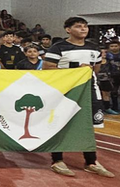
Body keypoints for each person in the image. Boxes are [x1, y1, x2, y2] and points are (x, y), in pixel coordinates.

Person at [43, 17, 113, 177]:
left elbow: (95, 69)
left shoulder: (93, 48)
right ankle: (57, 160)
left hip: (89, 92)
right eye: (79, 26)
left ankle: (91, 162)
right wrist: (75, 70)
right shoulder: (58, 47)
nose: (83, 29)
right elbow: (47, 69)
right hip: (64, 92)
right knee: (60, 124)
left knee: (88, 127)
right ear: (68, 29)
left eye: (85, 26)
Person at [102, 39, 120, 114]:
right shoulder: (107, 55)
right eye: (112, 46)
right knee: (113, 91)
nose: (114, 48)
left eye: (116, 46)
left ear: (119, 46)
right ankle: (114, 106)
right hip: (112, 75)